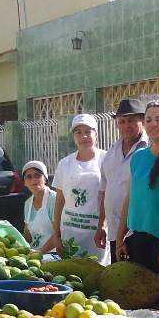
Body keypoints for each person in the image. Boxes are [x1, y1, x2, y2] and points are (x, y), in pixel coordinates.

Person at [116, 98, 159, 304]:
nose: (153, 125)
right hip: (138, 239)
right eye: (148, 120)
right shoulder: (139, 156)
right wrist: (121, 238)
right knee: (140, 301)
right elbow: (130, 198)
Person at [52, 113, 109, 263]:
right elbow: (59, 201)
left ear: (96, 135)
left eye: (88, 132)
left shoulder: (107, 159)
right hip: (70, 233)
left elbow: (109, 196)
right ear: (74, 137)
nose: (83, 136)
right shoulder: (65, 164)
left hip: (97, 234)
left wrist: (102, 226)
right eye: (78, 132)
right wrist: (57, 236)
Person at [97, 98, 148, 254]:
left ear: (143, 122)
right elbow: (105, 191)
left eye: (131, 120)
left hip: (140, 232)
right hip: (113, 231)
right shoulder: (111, 153)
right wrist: (101, 226)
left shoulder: (150, 150)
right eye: (122, 121)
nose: (126, 125)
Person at [21, 159, 60, 256]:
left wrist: (40, 253)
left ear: (45, 179)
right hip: (35, 253)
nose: (33, 179)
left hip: (55, 253)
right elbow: (27, 235)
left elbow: (59, 234)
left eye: (38, 175)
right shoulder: (28, 204)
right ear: (25, 183)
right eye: (29, 177)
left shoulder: (54, 200)